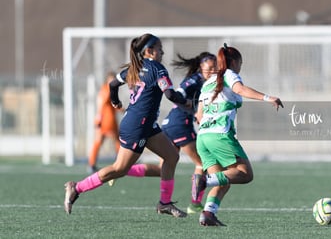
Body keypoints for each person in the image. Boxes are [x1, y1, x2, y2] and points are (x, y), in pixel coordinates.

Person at [64, 33, 192, 218]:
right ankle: (77, 187)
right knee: (119, 169)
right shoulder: (158, 69)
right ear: (149, 51)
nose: (162, 51)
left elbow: (113, 84)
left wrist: (115, 101)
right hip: (137, 127)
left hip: (144, 125)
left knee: (171, 156)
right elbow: (171, 95)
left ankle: (164, 203)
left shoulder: (134, 68)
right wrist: (185, 101)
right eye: (159, 48)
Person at [194, 44, 283, 226]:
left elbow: (199, 115)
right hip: (219, 136)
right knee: (245, 173)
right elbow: (240, 90)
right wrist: (268, 98)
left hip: (202, 137)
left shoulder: (208, 81)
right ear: (234, 62)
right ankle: (203, 180)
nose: (240, 67)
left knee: (224, 180)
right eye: (240, 63)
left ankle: (208, 214)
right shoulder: (228, 74)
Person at [120, 52, 216, 214]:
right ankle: (195, 204)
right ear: (201, 67)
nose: (214, 70)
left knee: (162, 168)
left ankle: (122, 171)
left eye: (216, 67)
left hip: (170, 124)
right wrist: (192, 109)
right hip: (180, 125)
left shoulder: (203, 81)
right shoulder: (195, 80)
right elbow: (180, 94)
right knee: (202, 163)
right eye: (211, 67)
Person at [88, 71, 120, 173]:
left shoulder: (109, 89)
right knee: (114, 141)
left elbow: (112, 104)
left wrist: (121, 109)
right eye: (111, 79)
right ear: (107, 80)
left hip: (109, 120)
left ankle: (92, 164)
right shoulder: (106, 89)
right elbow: (101, 104)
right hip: (106, 121)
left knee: (115, 142)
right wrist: (98, 119)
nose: (113, 81)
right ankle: (92, 163)